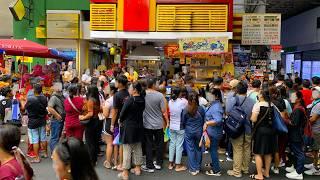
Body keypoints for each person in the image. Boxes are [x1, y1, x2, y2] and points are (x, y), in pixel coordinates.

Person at [226, 81, 255, 178]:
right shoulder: (252, 101)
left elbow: (228, 111)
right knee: (247, 148)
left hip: (236, 128)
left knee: (237, 149)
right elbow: (252, 115)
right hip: (248, 128)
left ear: (237, 89)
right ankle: (245, 168)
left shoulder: (233, 99)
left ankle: (237, 171)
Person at [117, 82, 145, 180]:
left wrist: (120, 120)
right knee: (138, 147)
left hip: (129, 126)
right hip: (139, 126)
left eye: (130, 88)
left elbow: (122, 113)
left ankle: (125, 172)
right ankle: (138, 168)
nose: (129, 89)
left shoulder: (129, 100)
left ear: (134, 90)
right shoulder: (142, 100)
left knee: (127, 149)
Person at [141, 78, 169, 173]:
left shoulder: (143, 94)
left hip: (147, 123)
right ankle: (159, 163)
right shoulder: (160, 95)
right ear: (153, 84)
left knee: (148, 144)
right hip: (158, 123)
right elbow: (163, 110)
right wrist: (167, 121)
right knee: (159, 144)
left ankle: (149, 165)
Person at [250, 88, 277, 180]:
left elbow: (253, 119)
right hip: (271, 131)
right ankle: (266, 172)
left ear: (261, 95)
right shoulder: (272, 105)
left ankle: (259, 175)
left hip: (260, 131)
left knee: (257, 153)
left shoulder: (258, 105)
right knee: (268, 153)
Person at [182, 92, 205, 176]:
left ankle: (193, 169)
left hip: (189, 131)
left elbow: (183, 121)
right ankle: (198, 167)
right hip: (199, 131)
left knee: (190, 149)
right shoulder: (201, 109)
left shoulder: (186, 109)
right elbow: (204, 120)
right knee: (198, 149)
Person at [25, 83, 48, 163]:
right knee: (43, 137)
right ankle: (45, 153)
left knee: (35, 139)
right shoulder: (44, 98)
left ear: (34, 90)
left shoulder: (30, 99)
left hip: (33, 121)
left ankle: (37, 157)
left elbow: (25, 107)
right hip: (42, 120)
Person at [110, 75, 129, 171]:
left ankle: (121, 164)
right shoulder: (129, 93)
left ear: (120, 83)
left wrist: (112, 124)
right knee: (128, 144)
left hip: (119, 122)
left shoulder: (117, 95)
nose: (115, 83)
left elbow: (115, 111)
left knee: (120, 143)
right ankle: (126, 163)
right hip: (129, 121)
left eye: (116, 82)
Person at [285, 90, 306, 180]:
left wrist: (286, 119)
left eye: (294, 97)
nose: (292, 98)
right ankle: (296, 168)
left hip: (296, 134)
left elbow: (294, 123)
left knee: (299, 153)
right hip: (296, 134)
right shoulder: (298, 107)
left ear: (299, 99)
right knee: (295, 151)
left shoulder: (298, 109)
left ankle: (299, 172)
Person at [203, 88, 224, 176]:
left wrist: (207, 123)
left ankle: (216, 170)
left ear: (216, 96)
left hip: (214, 132)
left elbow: (218, 120)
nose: (208, 96)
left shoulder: (216, 106)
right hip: (212, 131)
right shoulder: (214, 104)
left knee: (213, 150)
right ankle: (214, 164)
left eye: (210, 95)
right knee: (212, 150)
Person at [79, 85, 101, 165]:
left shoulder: (91, 100)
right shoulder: (97, 99)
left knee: (90, 142)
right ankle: (94, 159)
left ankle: (91, 161)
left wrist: (83, 117)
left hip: (91, 122)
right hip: (96, 121)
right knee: (94, 141)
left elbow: (90, 113)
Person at [168, 87, 188, 171]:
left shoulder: (170, 101)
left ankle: (170, 164)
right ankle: (178, 165)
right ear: (180, 93)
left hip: (172, 125)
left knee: (172, 144)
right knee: (179, 145)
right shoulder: (183, 101)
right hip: (180, 126)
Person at [304, 86, 320, 175]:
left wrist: (305, 122)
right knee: (314, 149)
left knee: (316, 149)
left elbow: (313, 119)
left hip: (316, 130)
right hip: (314, 129)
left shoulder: (318, 104)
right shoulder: (315, 102)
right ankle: (314, 164)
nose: (313, 94)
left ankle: (316, 168)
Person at [102, 83, 117, 169]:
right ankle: (115, 161)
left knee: (109, 143)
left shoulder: (109, 100)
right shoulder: (118, 98)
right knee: (116, 143)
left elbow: (105, 114)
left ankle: (108, 162)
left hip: (109, 122)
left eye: (107, 88)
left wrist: (103, 107)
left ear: (111, 90)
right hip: (117, 122)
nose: (105, 89)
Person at [48, 82, 66, 152]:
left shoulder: (61, 95)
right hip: (56, 120)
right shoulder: (54, 97)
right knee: (55, 137)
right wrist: (57, 115)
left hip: (60, 119)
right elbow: (49, 108)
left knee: (57, 136)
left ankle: (55, 152)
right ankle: (54, 153)